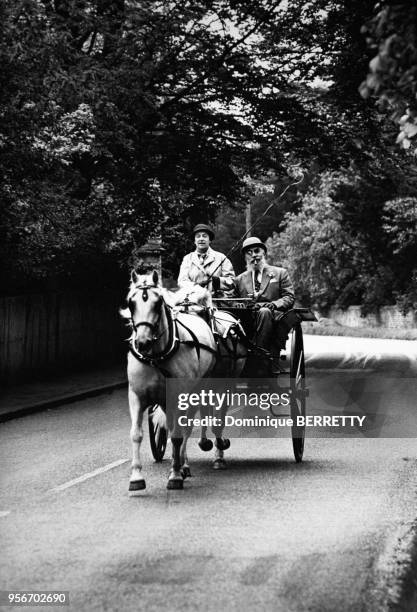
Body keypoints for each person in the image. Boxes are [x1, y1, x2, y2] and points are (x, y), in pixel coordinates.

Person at [233, 236, 295, 374]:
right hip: (246, 321)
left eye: (257, 251)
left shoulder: (280, 273)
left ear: (264, 253)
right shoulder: (240, 279)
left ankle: (259, 356)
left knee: (265, 312)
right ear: (245, 257)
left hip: (273, 318)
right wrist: (239, 305)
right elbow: (232, 300)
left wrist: (274, 304)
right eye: (249, 253)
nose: (254, 255)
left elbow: (289, 297)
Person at [177, 224, 234, 295]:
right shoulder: (187, 258)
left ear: (210, 240)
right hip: (194, 301)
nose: (201, 239)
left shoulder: (221, 257)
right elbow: (182, 282)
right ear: (194, 241)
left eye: (204, 236)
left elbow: (232, 282)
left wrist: (217, 281)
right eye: (198, 236)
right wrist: (196, 286)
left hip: (217, 301)